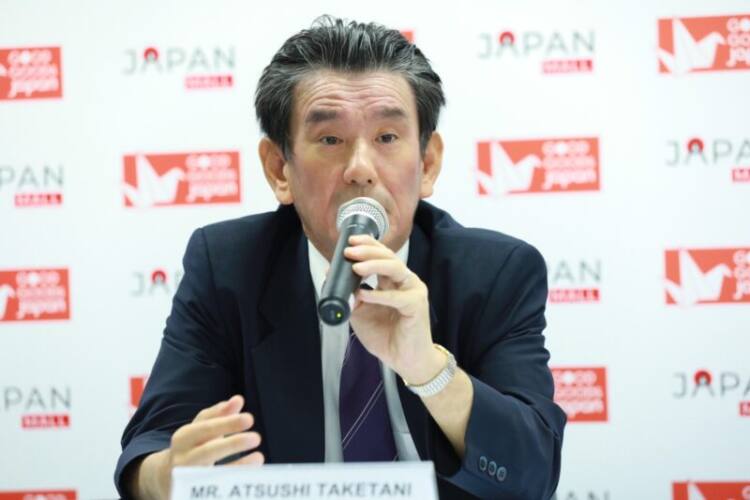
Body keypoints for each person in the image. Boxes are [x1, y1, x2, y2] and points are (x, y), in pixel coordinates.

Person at [115, 16, 566, 500]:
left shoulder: (498, 273)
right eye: (330, 140)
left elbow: (532, 475)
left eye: (387, 138)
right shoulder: (228, 267)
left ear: (428, 163)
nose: (360, 169)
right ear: (279, 169)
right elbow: (148, 452)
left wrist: (430, 370)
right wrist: (168, 475)